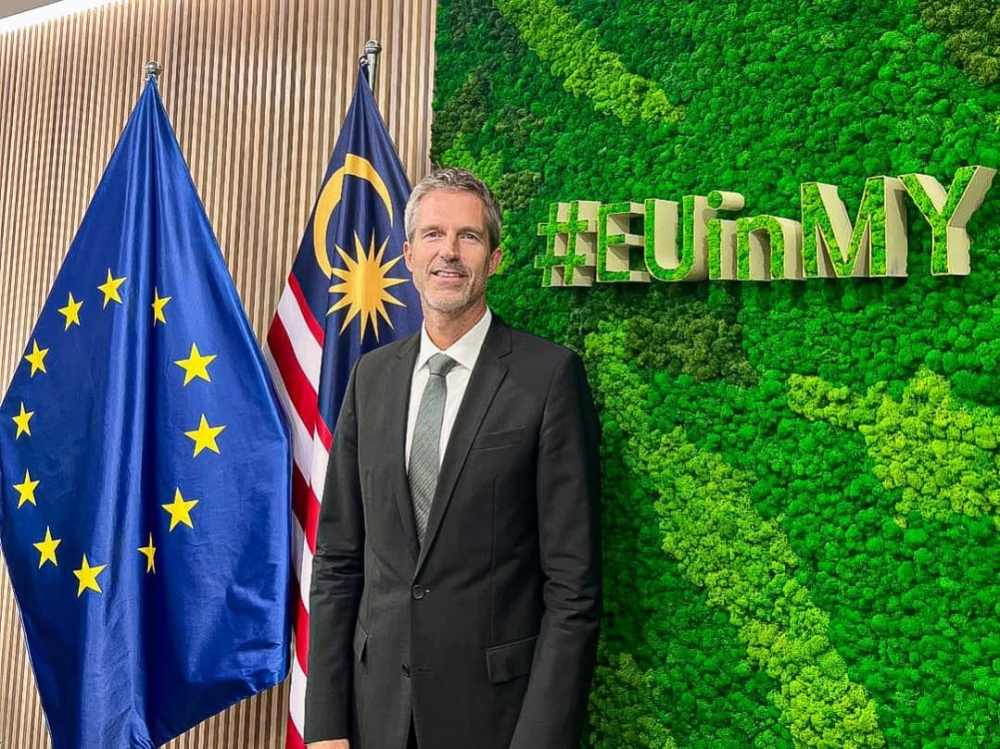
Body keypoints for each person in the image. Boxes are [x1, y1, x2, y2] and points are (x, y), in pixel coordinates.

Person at [304, 168, 602, 749]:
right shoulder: (370, 378)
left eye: (469, 236)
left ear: (494, 259)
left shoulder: (548, 379)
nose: (450, 252)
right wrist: (326, 726)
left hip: (494, 719)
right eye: (434, 235)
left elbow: (573, 587)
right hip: (374, 715)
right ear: (409, 255)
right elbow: (338, 560)